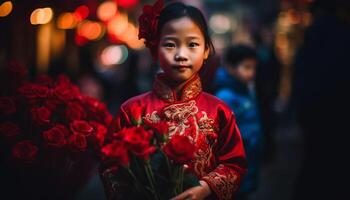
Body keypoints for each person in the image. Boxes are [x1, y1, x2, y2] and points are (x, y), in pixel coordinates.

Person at [99, 1, 247, 200]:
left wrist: (205, 188)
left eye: (192, 44)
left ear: (205, 51)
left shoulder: (220, 111)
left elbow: (235, 163)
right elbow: (110, 167)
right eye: (170, 44)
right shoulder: (132, 111)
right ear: (154, 50)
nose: (181, 54)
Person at [213, 45, 263, 200]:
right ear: (230, 67)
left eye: (254, 68)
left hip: (248, 162)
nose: (252, 73)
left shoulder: (245, 89)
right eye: (246, 67)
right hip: (234, 167)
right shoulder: (225, 96)